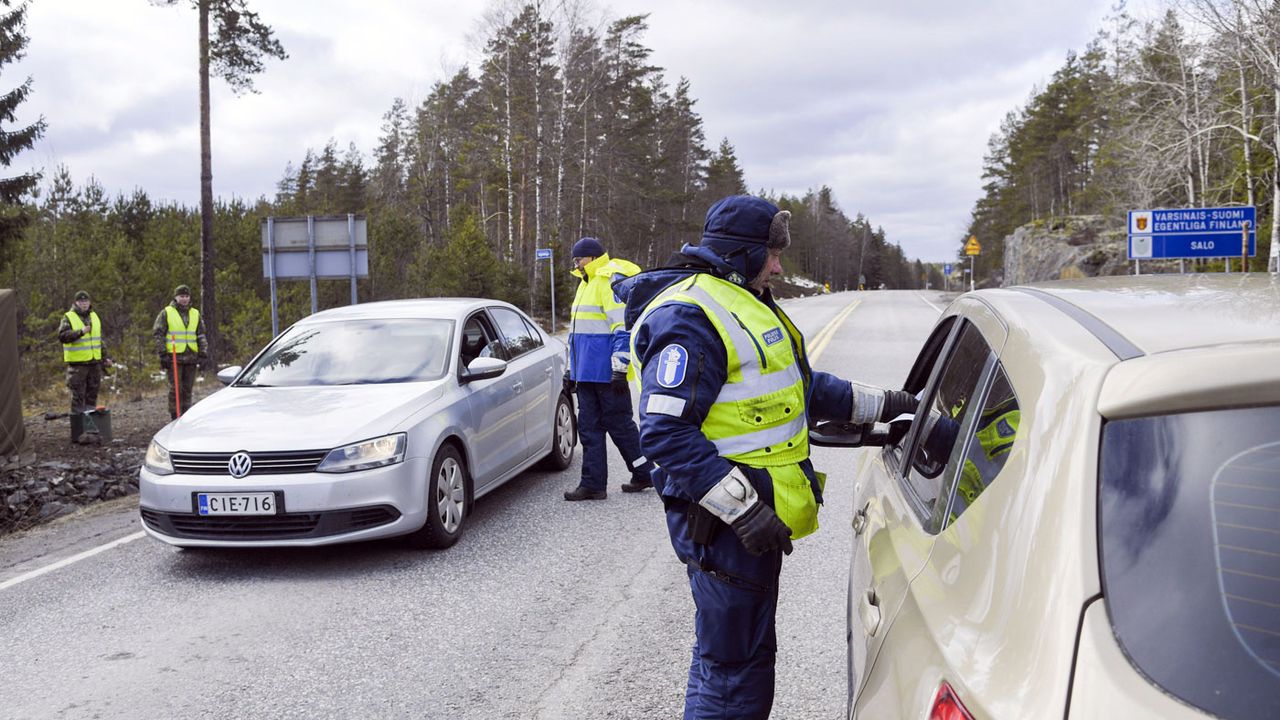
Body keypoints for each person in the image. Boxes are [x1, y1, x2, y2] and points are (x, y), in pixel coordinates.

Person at [614, 195, 917, 718]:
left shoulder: (742, 300)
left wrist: (891, 404)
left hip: (740, 524)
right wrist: (745, 510)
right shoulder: (691, 318)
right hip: (723, 525)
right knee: (734, 671)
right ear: (739, 254)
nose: (778, 265)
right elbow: (664, 432)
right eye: (770, 254)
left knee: (733, 658)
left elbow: (802, 386)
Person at [562, 236, 654, 501]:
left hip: (607, 373)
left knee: (620, 426)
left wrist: (619, 368)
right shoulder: (585, 283)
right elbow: (578, 335)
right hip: (588, 373)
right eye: (575, 260)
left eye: (579, 259)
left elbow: (621, 328)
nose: (576, 264)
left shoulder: (607, 280)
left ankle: (644, 472)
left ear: (592, 257)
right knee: (589, 429)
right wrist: (572, 370)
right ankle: (593, 485)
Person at [153, 284, 209, 419]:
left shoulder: (195, 313)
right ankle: (174, 415)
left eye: (186, 296)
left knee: (187, 389)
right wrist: (163, 354)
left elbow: (201, 334)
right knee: (175, 389)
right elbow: (158, 333)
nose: (184, 299)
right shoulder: (166, 312)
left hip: (191, 357)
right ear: (176, 297)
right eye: (181, 296)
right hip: (174, 358)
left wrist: (203, 354)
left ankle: (186, 414)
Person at [57, 290, 113, 417]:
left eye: (86, 301)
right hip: (78, 365)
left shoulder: (94, 316)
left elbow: (99, 340)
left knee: (92, 396)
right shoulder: (68, 317)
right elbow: (62, 336)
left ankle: (91, 428)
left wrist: (106, 358)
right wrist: (80, 332)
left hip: (94, 364)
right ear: (76, 302)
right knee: (77, 397)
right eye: (81, 301)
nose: (84, 304)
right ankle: (78, 429)